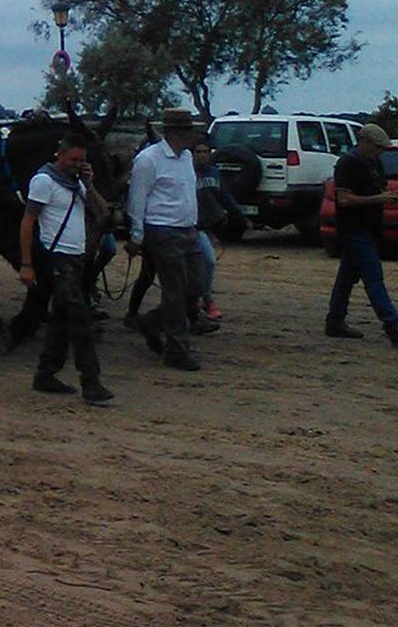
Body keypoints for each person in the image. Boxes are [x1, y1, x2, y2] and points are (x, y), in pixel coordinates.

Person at [17, 134, 114, 405]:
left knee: (61, 320)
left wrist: (90, 185)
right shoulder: (44, 182)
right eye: (73, 160)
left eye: (82, 160)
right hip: (56, 258)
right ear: (59, 155)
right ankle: (90, 381)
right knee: (79, 320)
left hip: (75, 258)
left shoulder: (77, 183)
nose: (77, 164)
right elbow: (27, 222)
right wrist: (26, 264)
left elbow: (102, 213)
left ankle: (46, 373)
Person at [124, 108, 209, 370]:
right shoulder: (148, 160)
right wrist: (137, 235)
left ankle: (152, 323)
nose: (194, 135)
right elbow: (137, 200)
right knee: (176, 290)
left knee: (196, 285)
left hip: (187, 229)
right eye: (189, 130)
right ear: (177, 132)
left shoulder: (185, 158)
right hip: (162, 230)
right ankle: (176, 350)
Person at [326, 123, 398, 346]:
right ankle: (393, 325)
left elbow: (377, 190)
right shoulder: (347, 164)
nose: (381, 152)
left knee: (347, 278)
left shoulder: (373, 162)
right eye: (378, 147)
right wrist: (380, 199)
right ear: (365, 142)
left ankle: (335, 321)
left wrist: (390, 195)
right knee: (373, 277)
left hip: (368, 228)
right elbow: (344, 199)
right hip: (353, 229)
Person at [190, 135, 238, 320]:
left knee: (204, 265)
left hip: (210, 226)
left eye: (205, 152)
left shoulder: (214, 173)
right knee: (208, 262)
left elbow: (224, 196)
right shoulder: (187, 173)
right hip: (193, 226)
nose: (201, 156)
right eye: (198, 152)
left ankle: (200, 300)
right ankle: (206, 299)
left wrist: (238, 215)